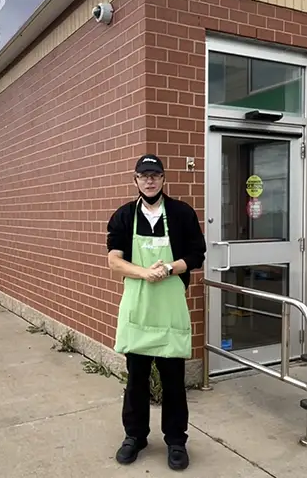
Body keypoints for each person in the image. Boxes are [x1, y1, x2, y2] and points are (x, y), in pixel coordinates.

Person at [107, 154, 206, 471]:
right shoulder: (124, 217)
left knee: (173, 381)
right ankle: (134, 437)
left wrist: (170, 268)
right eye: (144, 175)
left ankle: (176, 441)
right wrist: (143, 272)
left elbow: (196, 254)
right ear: (135, 180)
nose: (149, 180)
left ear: (164, 179)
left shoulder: (181, 214)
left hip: (169, 310)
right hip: (138, 309)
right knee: (136, 379)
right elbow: (113, 260)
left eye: (155, 175)